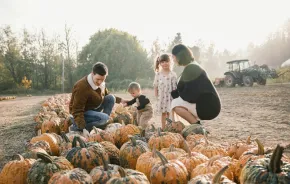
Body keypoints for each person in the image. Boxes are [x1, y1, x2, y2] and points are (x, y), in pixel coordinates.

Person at [170, 44, 221, 124]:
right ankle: (190, 126)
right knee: (176, 102)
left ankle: (196, 126)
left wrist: (177, 94)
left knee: (175, 104)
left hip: (208, 107)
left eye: (173, 57)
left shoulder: (191, 68)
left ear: (179, 56)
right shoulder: (192, 66)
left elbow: (190, 95)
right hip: (209, 104)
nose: (173, 59)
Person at [69, 62, 126, 132]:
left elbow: (106, 94)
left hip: (92, 109)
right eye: (98, 79)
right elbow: (77, 110)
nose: (100, 82)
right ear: (92, 74)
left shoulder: (101, 84)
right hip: (80, 114)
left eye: (102, 79)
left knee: (111, 98)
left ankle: (103, 124)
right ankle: (77, 128)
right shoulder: (82, 86)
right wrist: (82, 127)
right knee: (105, 118)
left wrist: (120, 100)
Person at [153, 54, 177, 130]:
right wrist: (156, 96)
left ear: (170, 62)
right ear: (160, 63)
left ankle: (169, 127)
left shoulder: (173, 74)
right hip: (162, 97)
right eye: (162, 62)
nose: (164, 63)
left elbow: (174, 88)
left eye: (166, 61)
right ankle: (163, 128)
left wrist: (175, 98)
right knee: (163, 113)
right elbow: (155, 85)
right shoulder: (158, 74)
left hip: (170, 97)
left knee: (169, 113)